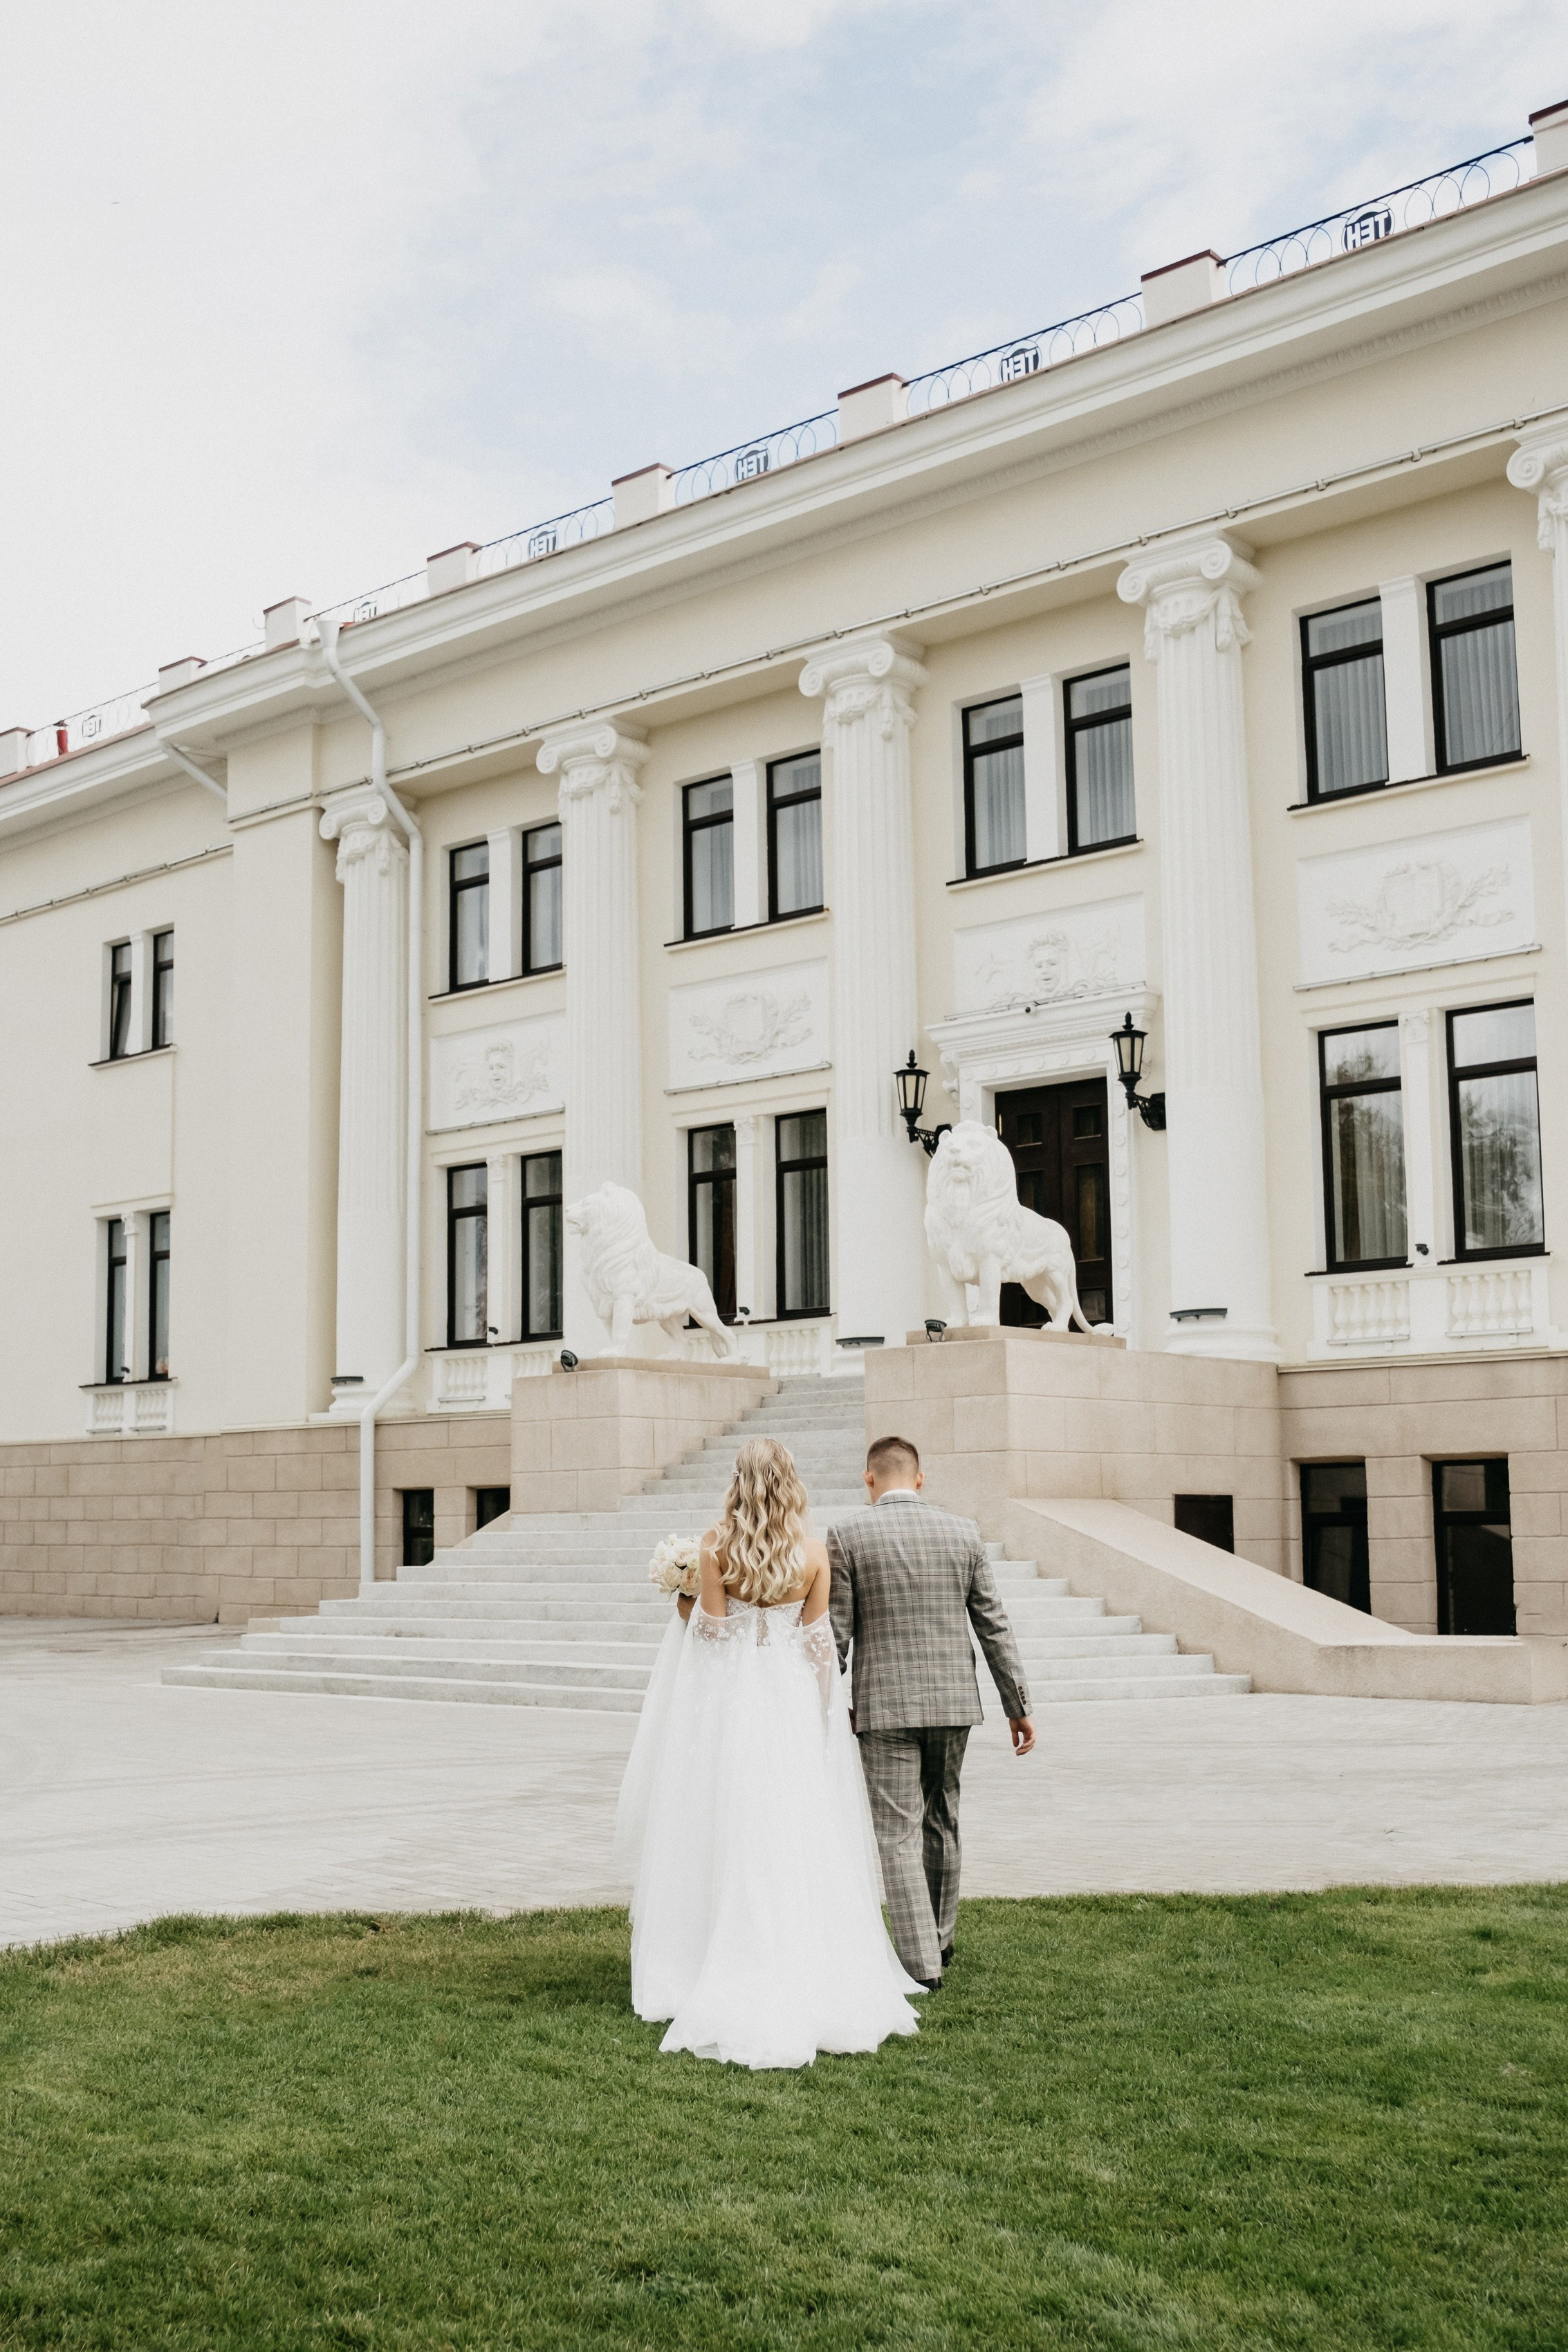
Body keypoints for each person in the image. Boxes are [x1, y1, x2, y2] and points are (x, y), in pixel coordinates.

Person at [615, 1437, 922, 2070]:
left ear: (738, 1482)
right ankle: (798, 1955)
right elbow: (817, 1648)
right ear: (790, 1483)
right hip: (783, 1701)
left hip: (731, 1704)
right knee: (791, 1827)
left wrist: (682, 1595)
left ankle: (706, 1956)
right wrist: (821, 1720)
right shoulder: (813, 1554)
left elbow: (713, 1631)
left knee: (718, 1821)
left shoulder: (715, 1548)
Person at [828, 1435, 1035, 1990]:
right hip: (952, 1703)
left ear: (869, 1479)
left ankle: (919, 1963)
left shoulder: (847, 1535)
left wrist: (820, 1703)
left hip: (883, 1707)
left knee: (896, 1832)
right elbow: (993, 1623)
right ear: (919, 1478)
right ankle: (938, 1942)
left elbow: (835, 1633)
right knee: (942, 1818)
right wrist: (1017, 1704)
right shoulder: (962, 1532)